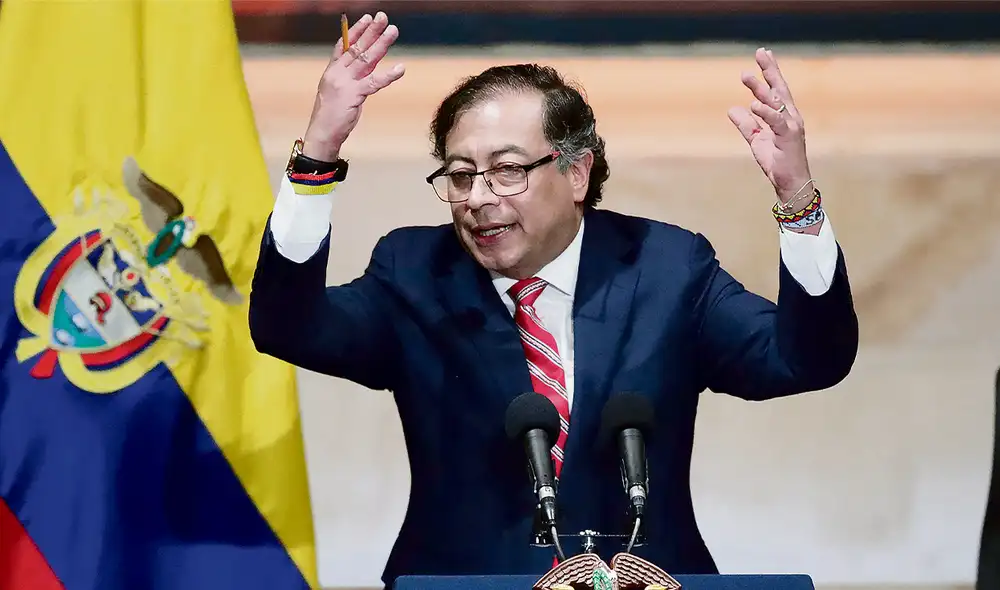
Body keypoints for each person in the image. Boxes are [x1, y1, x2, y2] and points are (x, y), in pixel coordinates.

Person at [248, 11, 859, 588]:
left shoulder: (667, 268)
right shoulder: (414, 274)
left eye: (507, 170)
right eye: (460, 175)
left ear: (576, 173)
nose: (479, 197)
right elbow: (287, 326)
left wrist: (798, 199)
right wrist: (316, 158)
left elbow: (806, 358)